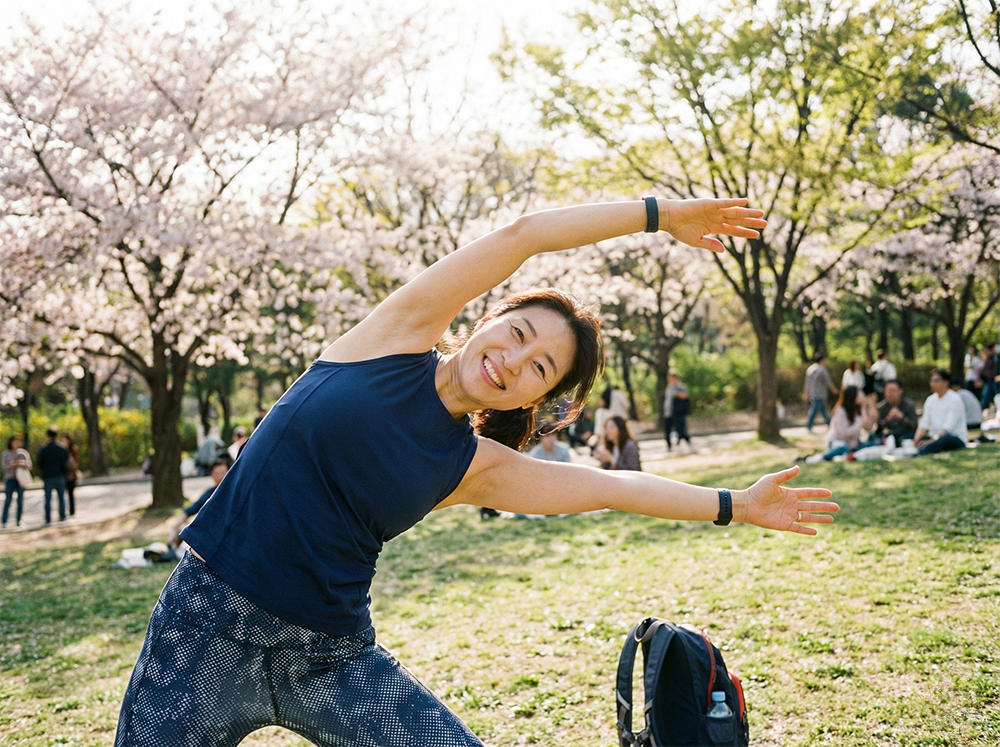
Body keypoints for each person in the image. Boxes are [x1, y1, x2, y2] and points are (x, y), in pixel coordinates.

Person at [115, 196, 837, 746]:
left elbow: (616, 486)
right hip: (204, 624)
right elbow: (525, 234)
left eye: (539, 368)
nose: (512, 360)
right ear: (490, 314)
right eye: (517, 333)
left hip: (327, 658)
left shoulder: (476, 466)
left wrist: (733, 504)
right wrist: (659, 214)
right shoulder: (394, 335)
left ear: (537, 397)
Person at [164, 458, 231, 558]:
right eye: (216, 473)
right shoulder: (210, 494)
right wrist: (174, 530)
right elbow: (188, 511)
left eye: (222, 473)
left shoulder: (236, 493)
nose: (219, 477)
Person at [806, 386, 873, 463]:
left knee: (871, 443)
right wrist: (859, 423)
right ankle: (821, 457)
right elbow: (844, 433)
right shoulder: (841, 411)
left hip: (853, 444)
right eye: (859, 394)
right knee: (843, 448)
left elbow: (869, 429)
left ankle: (847, 455)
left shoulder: (859, 409)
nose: (862, 395)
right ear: (852, 396)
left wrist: (868, 415)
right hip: (837, 440)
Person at [914, 369, 968, 455]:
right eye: (931, 381)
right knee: (907, 436)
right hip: (934, 436)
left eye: (936, 381)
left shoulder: (955, 399)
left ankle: (922, 451)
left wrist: (930, 441)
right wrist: (916, 439)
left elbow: (948, 428)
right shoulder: (930, 400)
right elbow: (924, 423)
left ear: (946, 382)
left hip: (953, 437)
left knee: (945, 439)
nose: (933, 384)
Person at [37, 426, 69, 525]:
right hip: (60, 475)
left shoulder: (44, 449)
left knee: (48, 498)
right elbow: (65, 461)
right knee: (61, 497)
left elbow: (39, 462)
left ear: (47, 436)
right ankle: (62, 516)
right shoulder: (62, 448)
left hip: (48, 476)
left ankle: (48, 518)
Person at [803, 353, 837, 432]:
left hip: (813, 393)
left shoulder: (810, 369)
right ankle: (809, 425)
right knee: (815, 410)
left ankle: (829, 424)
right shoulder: (822, 369)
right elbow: (828, 381)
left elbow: (807, 383)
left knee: (823, 409)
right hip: (820, 393)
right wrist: (834, 389)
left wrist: (806, 393)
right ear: (822, 360)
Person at [2, 435, 31, 528]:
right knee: (8, 500)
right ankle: (4, 521)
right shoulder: (6, 454)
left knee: (20, 500)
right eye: (15, 442)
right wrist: (12, 464)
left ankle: (19, 520)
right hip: (10, 479)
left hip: (21, 480)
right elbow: (4, 467)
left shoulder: (23, 453)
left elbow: (30, 465)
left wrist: (22, 463)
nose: (16, 444)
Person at [663, 369, 692, 452]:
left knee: (681, 429)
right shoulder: (668, 387)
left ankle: (687, 443)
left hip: (677, 412)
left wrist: (676, 394)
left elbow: (686, 395)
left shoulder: (679, 386)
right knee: (667, 430)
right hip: (668, 412)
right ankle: (669, 446)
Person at [61, 434, 80, 517]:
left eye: (66, 440)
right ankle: (63, 510)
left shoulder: (73, 450)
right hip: (63, 475)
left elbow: (76, 462)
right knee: (62, 494)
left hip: (71, 475)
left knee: (71, 493)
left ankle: (72, 510)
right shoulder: (60, 450)